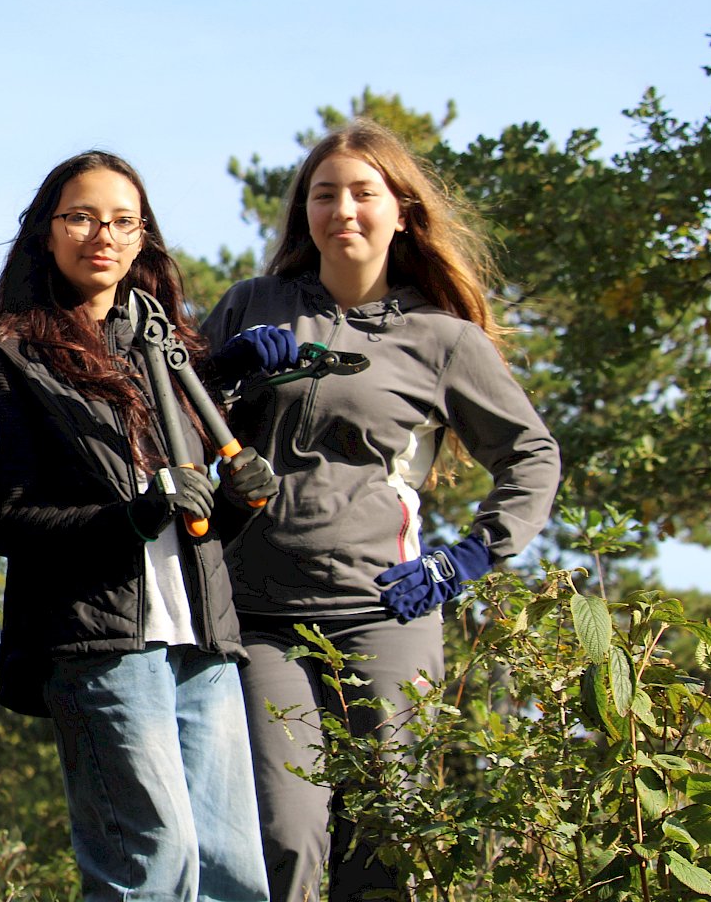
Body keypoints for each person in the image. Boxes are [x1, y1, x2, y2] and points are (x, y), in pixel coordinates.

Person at [200, 119, 560, 902]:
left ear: (401, 211)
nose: (343, 211)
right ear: (304, 212)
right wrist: (221, 369)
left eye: (364, 193)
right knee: (282, 836)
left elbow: (532, 457)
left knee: (386, 841)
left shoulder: (443, 340)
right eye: (324, 195)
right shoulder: (254, 305)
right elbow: (164, 416)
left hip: (384, 615)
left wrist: (466, 560)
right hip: (256, 617)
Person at [0, 151, 273, 902]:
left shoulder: (171, 349)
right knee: (153, 862)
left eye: (121, 221)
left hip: (201, 636)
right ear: (46, 231)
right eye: (80, 217)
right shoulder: (11, 355)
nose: (101, 235)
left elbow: (197, 525)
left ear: (142, 238)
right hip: (98, 640)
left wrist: (238, 501)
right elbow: (9, 522)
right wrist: (131, 517)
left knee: (233, 872)